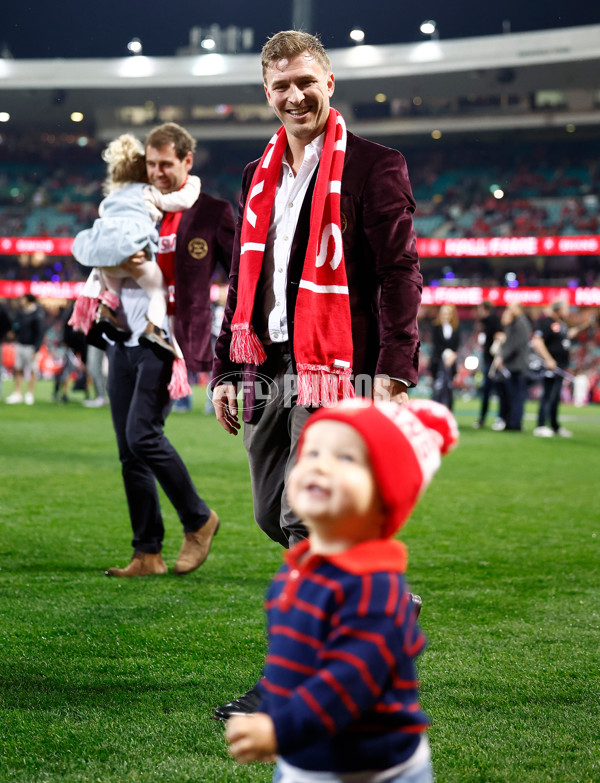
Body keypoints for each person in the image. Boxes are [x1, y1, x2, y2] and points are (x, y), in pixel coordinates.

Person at [211, 30, 422, 718]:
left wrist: (394, 367)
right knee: (274, 511)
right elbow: (242, 281)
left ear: (329, 82)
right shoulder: (256, 173)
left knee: (308, 520)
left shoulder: (375, 165)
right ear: (266, 95)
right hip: (268, 364)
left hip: (340, 368)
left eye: (306, 81)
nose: (295, 95)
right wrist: (223, 368)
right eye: (281, 86)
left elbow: (399, 272)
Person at [226, 397, 458, 783]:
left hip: (375, 769)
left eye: (346, 458)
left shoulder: (374, 588)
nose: (319, 464)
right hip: (304, 760)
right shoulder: (298, 571)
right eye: (312, 451)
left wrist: (279, 730)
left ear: (386, 495)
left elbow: (350, 681)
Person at [103, 122, 235, 577]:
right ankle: (147, 553)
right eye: (151, 164)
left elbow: (242, 274)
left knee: (143, 434)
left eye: (165, 164)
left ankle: (199, 520)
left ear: (186, 162)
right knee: (128, 449)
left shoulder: (213, 212)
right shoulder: (134, 206)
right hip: (124, 333)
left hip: (169, 340)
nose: (157, 172)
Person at [71, 133, 201, 361]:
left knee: (112, 287)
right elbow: (180, 201)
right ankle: (153, 329)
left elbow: (104, 216)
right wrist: (192, 183)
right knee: (158, 292)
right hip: (137, 255)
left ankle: (106, 312)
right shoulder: (147, 191)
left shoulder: (110, 198)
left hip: (108, 261)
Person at [531, 300, 591, 438]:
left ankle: (554, 426)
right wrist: (549, 360)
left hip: (560, 367)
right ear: (558, 309)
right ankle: (541, 425)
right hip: (551, 368)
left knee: (555, 396)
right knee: (547, 395)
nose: (568, 311)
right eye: (566, 308)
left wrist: (585, 325)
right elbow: (537, 342)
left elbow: (569, 334)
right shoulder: (546, 323)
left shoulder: (561, 325)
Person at [493, 302, 531, 431]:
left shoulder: (520, 324)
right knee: (512, 395)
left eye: (511, 308)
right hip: (514, 365)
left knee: (516, 396)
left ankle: (515, 423)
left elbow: (514, 344)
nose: (508, 310)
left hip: (517, 366)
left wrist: (502, 356)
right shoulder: (517, 323)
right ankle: (511, 421)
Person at [5, 293, 46, 405]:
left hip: (31, 346)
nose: (21, 301)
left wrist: (36, 348)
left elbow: (40, 333)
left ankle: (29, 394)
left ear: (28, 300)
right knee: (18, 369)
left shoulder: (37, 314)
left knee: (32, 370)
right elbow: (16, 326)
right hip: (20, 344)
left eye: (23, 299)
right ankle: (17, 393)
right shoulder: (21, 312)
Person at [473, 300, 504, 429]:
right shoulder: (486, 321)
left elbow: (499, 337)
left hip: (493, 362)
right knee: (491, 391)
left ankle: (496, 418)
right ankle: (489, 418)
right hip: (489, 360)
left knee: (493, 390)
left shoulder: (492, 320)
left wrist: (496, 354)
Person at [429, 304, 459, 411]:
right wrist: (447, 354)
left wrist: (452, 356)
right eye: (443, 313)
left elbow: (456, 346)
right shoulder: (435, 327)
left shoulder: (456, 328)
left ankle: (449, 413)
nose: (445, 315)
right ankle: (434, 413)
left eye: (447, 313)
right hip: (438, 363)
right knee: (437, 389)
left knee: (449, 389)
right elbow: (437, 345)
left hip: (451, 364)